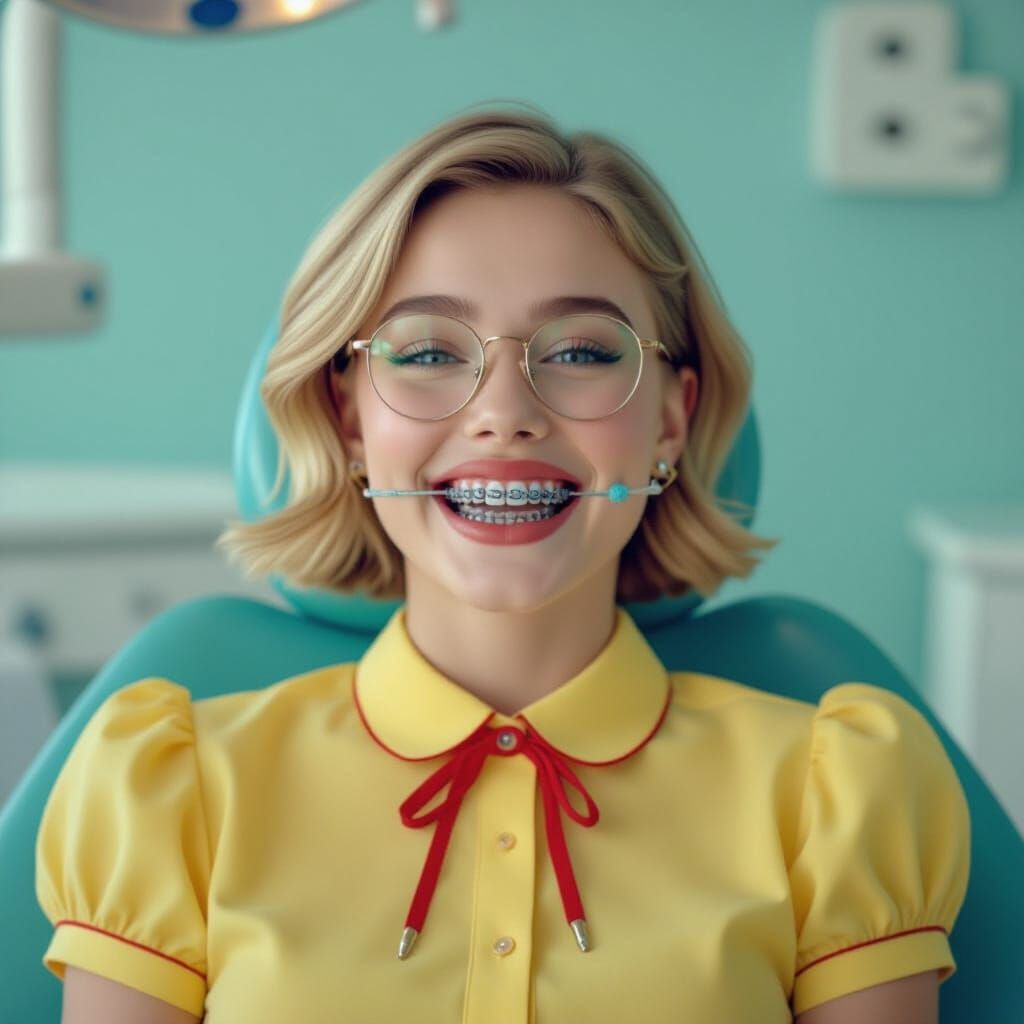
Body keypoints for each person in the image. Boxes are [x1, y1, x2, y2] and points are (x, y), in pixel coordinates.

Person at [35, 104, 970, 1024]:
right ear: (352, 420)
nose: (504, 411)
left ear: (671, 422)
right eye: (432, 351)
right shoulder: (169, 789)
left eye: (579, 351)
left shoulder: (838, 794)